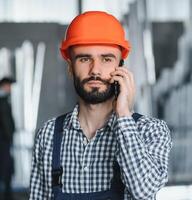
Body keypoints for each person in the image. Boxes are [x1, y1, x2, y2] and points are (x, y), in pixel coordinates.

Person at [29, 11, 172, 200]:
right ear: (71, 66)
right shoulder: (48, 135)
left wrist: (123, 115)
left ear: (120, 67)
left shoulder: (150, 130)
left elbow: (143, 191)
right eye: (84, 59)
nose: (95, 70)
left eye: (106, 59)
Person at [0, 77, 15, 200]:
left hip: (4, 140)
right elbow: (6, 122)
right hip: (4, 141)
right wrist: (10, 137)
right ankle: (7, 194)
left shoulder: (4, 100)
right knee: (6, 167)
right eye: (9, 85)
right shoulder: (3, 101)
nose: (10, 88)